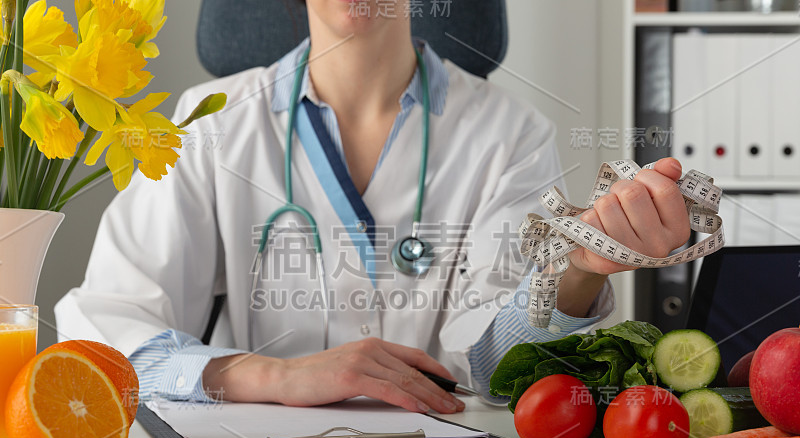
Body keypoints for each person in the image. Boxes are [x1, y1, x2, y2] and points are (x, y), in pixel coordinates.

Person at [55, 0, 690, 415]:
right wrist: (274, 377)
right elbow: (108, 328)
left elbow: (497, 369)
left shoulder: (510, 134)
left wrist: (576, 270)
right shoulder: (208, 124)